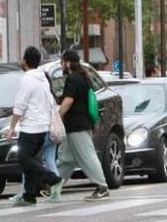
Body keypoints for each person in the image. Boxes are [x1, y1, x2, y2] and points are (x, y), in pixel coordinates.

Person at [50, 50, 111, 202]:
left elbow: (68, 100)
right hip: (79, 124)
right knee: (65, 159)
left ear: (68, 63)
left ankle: (102, 187)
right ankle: (53, 188)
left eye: (62, 62)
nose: (61, 65)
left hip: (77, 125)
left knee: (87, 156)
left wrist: (57, 116)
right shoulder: (84, 78)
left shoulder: (72, 79)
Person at [6, 47, 63, 207]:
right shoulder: (43, 78)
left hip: (30, 127)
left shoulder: (27, 79)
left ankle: (53, 179)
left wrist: (12, 127)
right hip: (43, 126)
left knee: (23, 158)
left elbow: (19, 105)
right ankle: (29, 195)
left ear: (25, 61)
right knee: (29, 160)